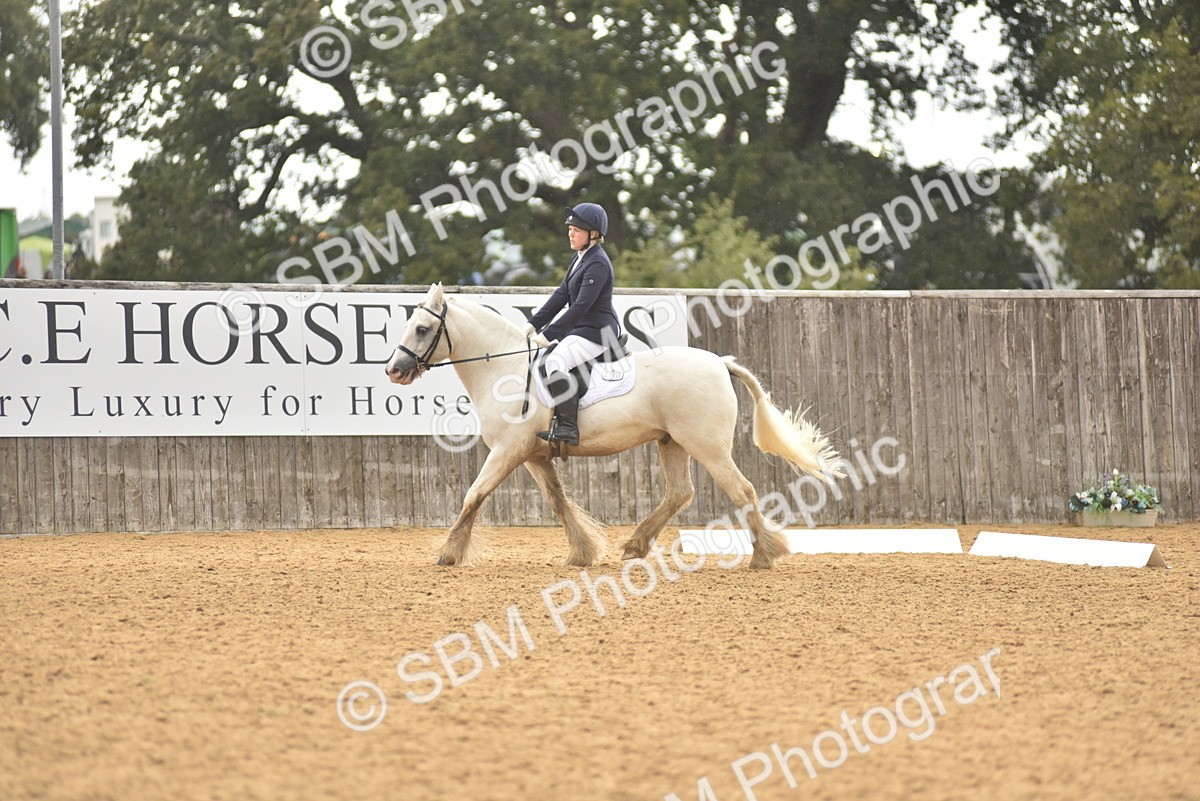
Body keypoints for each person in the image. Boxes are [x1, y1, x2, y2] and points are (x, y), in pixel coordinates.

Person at [524, 203, 621, 445]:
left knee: (555, 360)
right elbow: (562, 294)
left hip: (598, 332)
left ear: (594, 234)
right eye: (570, 228)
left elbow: (580, 308)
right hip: (584, 329)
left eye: (577, 229)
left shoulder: (597, 263)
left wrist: (548, 335)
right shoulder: (580, 257)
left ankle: (568, 427)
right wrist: (533, 324)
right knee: (546, 358)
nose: (570, 233)